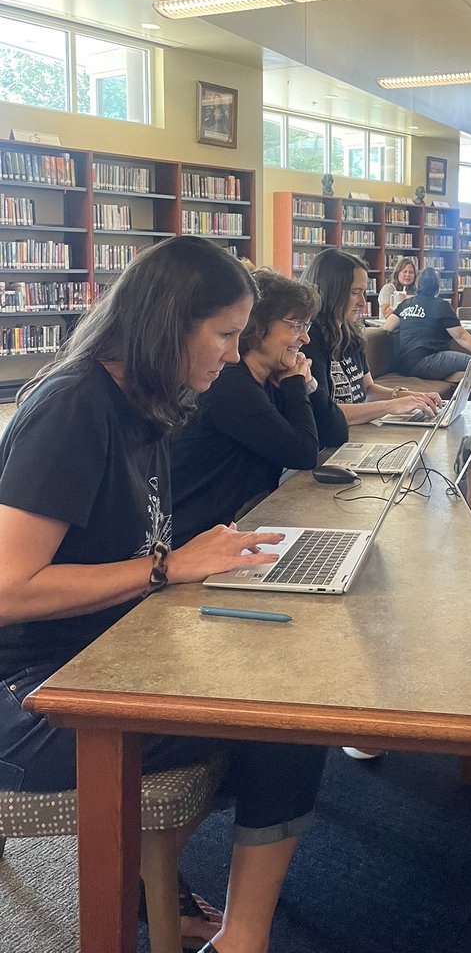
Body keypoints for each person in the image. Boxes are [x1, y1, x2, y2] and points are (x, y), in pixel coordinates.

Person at [0, 237, 328, 953]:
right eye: (225, 335)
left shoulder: (142, 402)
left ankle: (175, 892)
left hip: (110, 655)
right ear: (170, 325)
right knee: (290, 716)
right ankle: (232, 933)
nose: (233, 354)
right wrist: (168, 567)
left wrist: (202, 566)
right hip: (32, 698)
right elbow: (8, 590)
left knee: (296, 682)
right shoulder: (74, 407)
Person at [170, 267, 321, 546]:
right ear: (258, 327)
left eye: (306, 326)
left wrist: (306, 384)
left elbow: (333, 432)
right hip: (195, 539)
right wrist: (295, 384)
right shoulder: (229, 384)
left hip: (236, 524)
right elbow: (304, 453)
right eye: (296, 325)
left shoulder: (267, 377)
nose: (305, 338)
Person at [302, 247, 443, 424]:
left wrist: (413, 397)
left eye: (363, 292)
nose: (363, 302)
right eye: (355, 293)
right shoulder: (308, 339)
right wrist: (390, 406)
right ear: (329, 291)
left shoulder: (350, 334)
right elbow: (324, 413)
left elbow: (367, 388)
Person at [383, 266, 471, 381]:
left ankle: (451, 375)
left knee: (460, 363)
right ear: (438, 289)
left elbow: (387, 327)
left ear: (417, 286)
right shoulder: (441, 305)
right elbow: (461, 336)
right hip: (427, 361)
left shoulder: (406, 304)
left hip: (404, 365)